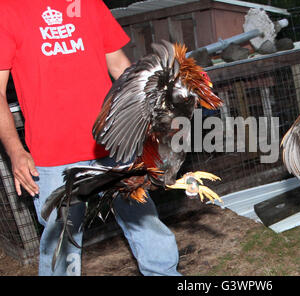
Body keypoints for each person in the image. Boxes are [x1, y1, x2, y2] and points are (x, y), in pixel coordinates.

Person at [0, 0, 181, 276]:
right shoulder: (8, 10)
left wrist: (151, 117)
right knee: (61, 244)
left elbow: (121, 67)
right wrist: (15, 150)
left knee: (144, 221)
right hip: (52, 156)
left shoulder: (90, 4)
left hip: (114, 142)